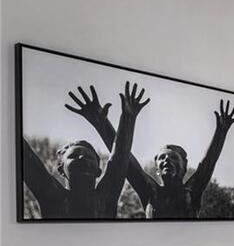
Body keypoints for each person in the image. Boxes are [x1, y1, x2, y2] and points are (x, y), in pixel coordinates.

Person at [65, 85, 234, 218]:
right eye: (162, 158)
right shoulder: (150, 191)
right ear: (156, 169)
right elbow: (124, 157)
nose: (167, 161)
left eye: (173, 158)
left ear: (184, 166)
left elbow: (208, 162)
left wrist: (221, 131)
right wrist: (101, 123)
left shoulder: (192, 191)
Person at [23, 81, 149, 219]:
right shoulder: (52, 196)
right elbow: (26, 158)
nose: (82, 158)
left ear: (98, 171)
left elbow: (120, 156)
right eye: (74, 156)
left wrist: (128, 118)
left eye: (89, 157)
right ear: (60, 169)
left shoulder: (106, 197)